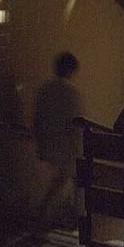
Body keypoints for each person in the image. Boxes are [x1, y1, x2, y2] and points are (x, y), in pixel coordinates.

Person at [34, 52, 82, 229]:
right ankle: (76, 219)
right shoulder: (71, 91)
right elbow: (76, 123)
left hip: (48, 143)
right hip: (65, 146)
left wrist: (40, 145)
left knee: (59, 183)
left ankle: (44, 216)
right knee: (72, 181)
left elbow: (37, 119)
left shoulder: (45, 89)